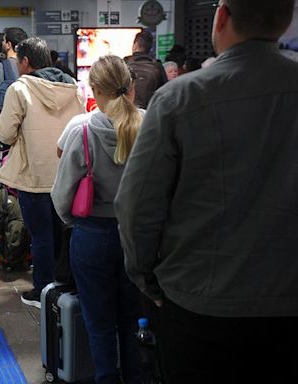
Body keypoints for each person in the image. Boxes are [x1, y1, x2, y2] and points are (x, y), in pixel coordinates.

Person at [114, 1, 298, 383]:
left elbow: (136, 207)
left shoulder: (180, 98)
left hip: (199, 306)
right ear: (286, 20)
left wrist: (147, 281)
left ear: (222, 17)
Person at [52, 55, 143, 384]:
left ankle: (106, 378)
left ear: (94, 90)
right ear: (132, 88)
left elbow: (61, 195)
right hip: (139, 236)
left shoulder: (83, 129)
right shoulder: (150, 125)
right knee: (134, 319)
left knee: (99, 322)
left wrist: (75, 223)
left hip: (92, 236)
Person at [0, 37, 85, 308]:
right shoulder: (74, 88)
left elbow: (5, 133)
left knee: (41, 237)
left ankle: (42, 290)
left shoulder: (19, 89)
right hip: (66, 174)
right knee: (63, 233)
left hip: (33, 175)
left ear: (25, 62)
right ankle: (64, 284)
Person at [124, 30, 167, 108]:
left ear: (135, 45)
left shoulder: (124, 63)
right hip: (149, 112)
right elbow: (164, 92)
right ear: (150, 48)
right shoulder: (157, 65)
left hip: (127, 112)